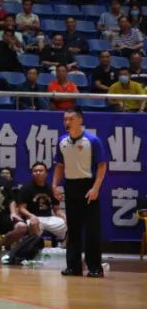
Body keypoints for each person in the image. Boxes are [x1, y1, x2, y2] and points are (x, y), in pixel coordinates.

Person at [53, 108, 107, 278]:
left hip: (88, 186)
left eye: (70, 119)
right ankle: (73, 267)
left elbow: (101, 165)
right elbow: (60, 166)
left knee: (92, 229)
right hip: (71, 186)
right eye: (65, 119)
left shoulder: (92, 140)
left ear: (80, 120)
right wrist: (55, 185)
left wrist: (96, 188)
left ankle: (95, 268)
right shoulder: (62, 141)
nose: (66, 123)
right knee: (73, 229)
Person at [17, 162, 67, 244]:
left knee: (69, 224)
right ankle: (33, 249)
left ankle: (66, 249)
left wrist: (65, 217)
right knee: (34, 223)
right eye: (35, 171)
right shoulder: (26, 188)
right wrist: (31, 216)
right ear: (32, 173)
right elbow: (21, 208)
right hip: (32, 217)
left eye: (40, 171)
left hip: (49, 218)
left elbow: (57, 210)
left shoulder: (51, 189)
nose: (38, 173)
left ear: (46, 173)